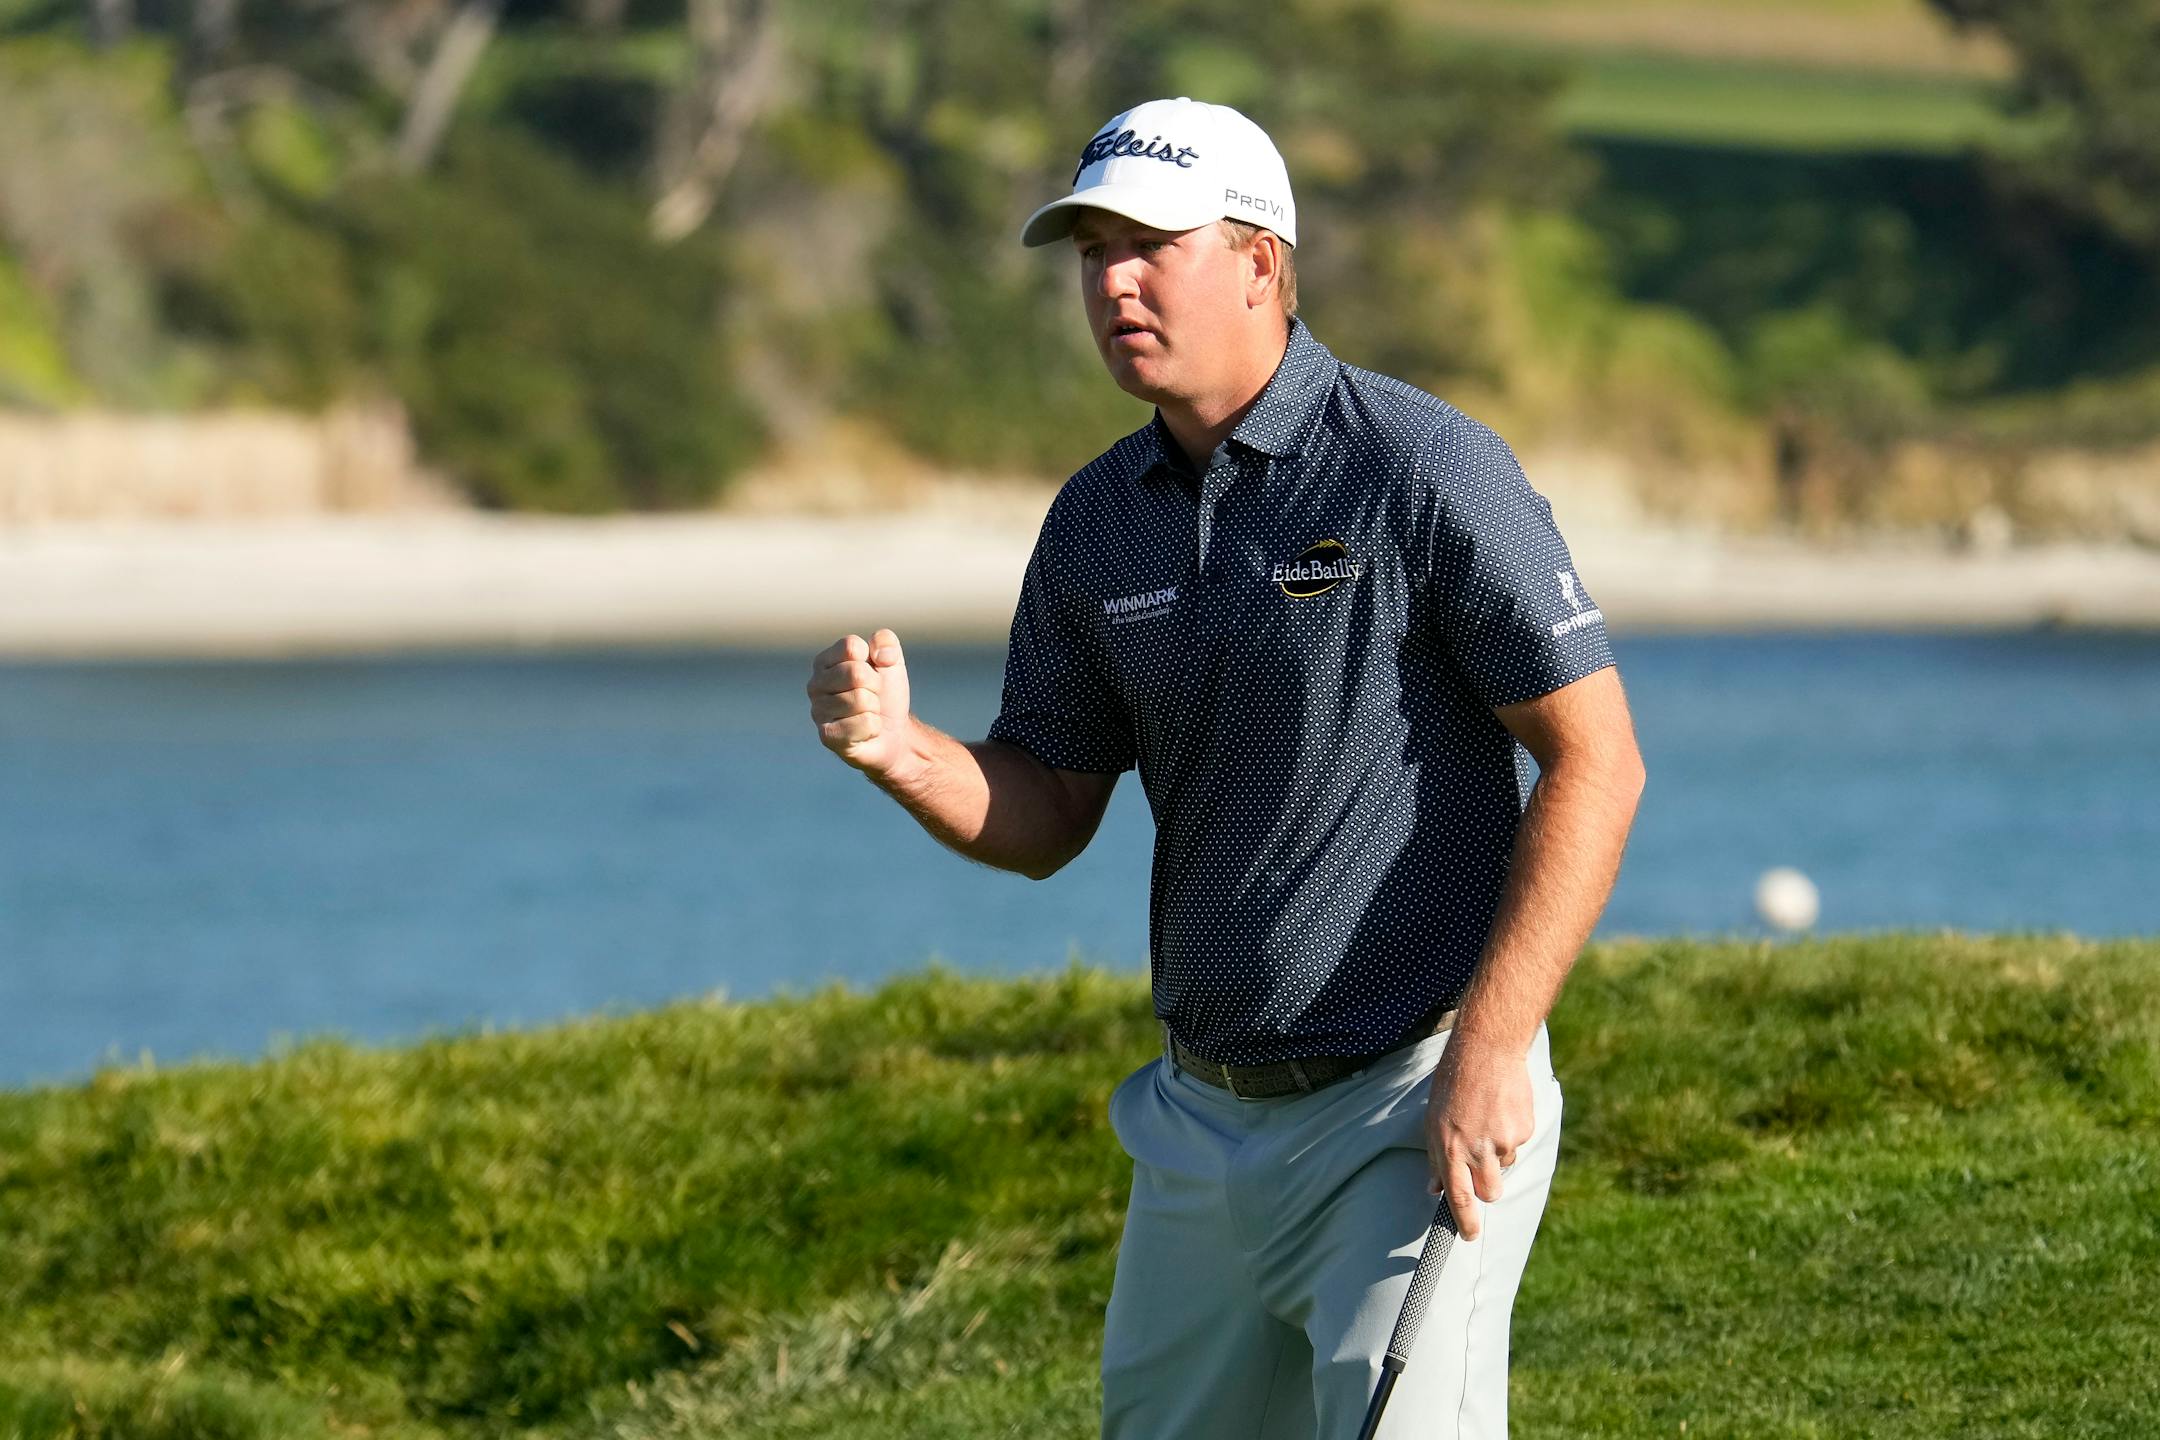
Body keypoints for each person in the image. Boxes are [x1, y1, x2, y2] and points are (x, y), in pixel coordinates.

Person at [807, 96, 1646, 1440]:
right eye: (1091, 253)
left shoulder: (1420, 470)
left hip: (1407, 1101)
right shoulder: (1095, 523)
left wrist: (1491, 1049)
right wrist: (899, 751)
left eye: (1149, 244)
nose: (1113, 283)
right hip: (1198, 1125)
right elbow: (1048, 809)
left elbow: (1597, 762)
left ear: (1260, 260)